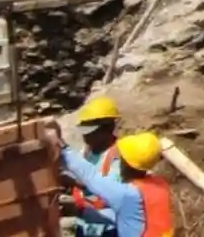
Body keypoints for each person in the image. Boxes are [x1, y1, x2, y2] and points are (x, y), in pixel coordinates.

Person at [44, 125, 176, 237]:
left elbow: (91, 175)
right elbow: (122, 213)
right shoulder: (159, 184)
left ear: (125, 163)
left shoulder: (127, 194)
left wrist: (63, 148)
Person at [70, 97, 123, 237]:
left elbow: (110, 190)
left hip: (109, 226)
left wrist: (78, 183)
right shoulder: (86, 151)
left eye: (91, 132)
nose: (85, 136)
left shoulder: (119, 155)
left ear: (108, 128)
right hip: (86, 223)